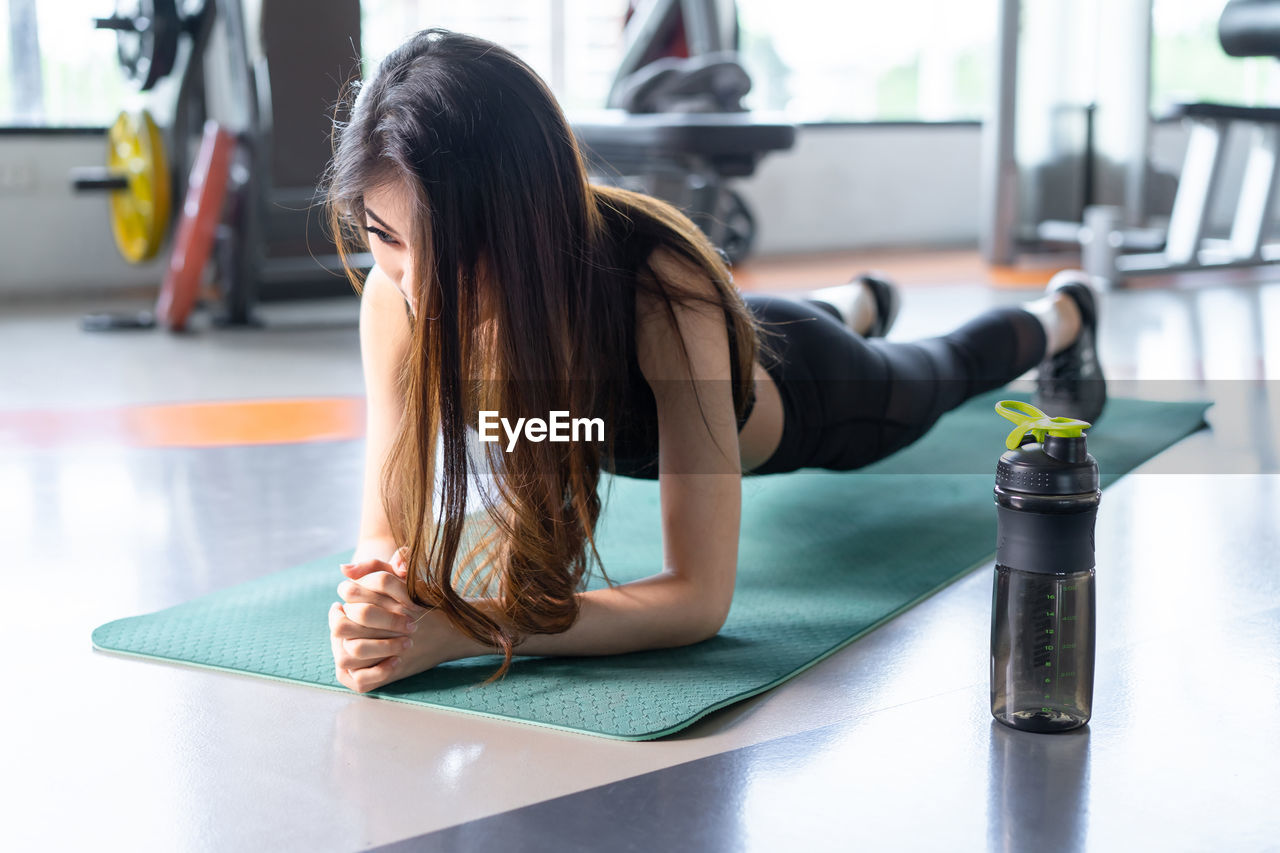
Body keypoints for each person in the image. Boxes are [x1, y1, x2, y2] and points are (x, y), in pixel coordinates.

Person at [323, 29, 1106, 693]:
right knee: (775, 325)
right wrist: (378, 600)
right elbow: (381, 530)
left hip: (804, 398)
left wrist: (468, 630)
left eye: (449, 248)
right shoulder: (395, 299)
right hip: (729, 340)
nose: (415, 283)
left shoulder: (662, 290)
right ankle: (859, 297)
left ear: (525, 222)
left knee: (937, 372)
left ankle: (1063, 314)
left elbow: (697, 598)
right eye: (385, 236)